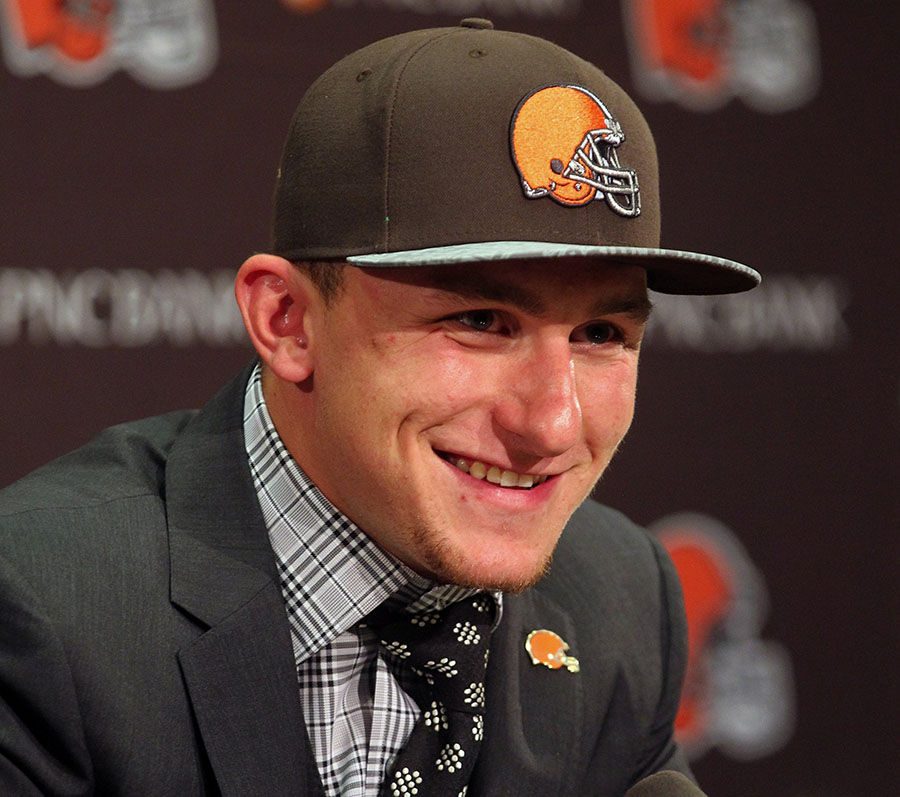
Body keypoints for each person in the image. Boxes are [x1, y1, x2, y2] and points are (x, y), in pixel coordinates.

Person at [0, 18, 759, 797]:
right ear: (288, 321)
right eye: (479, 322)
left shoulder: (623, 599)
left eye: (601, 333)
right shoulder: (41, 612)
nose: (551, 425)